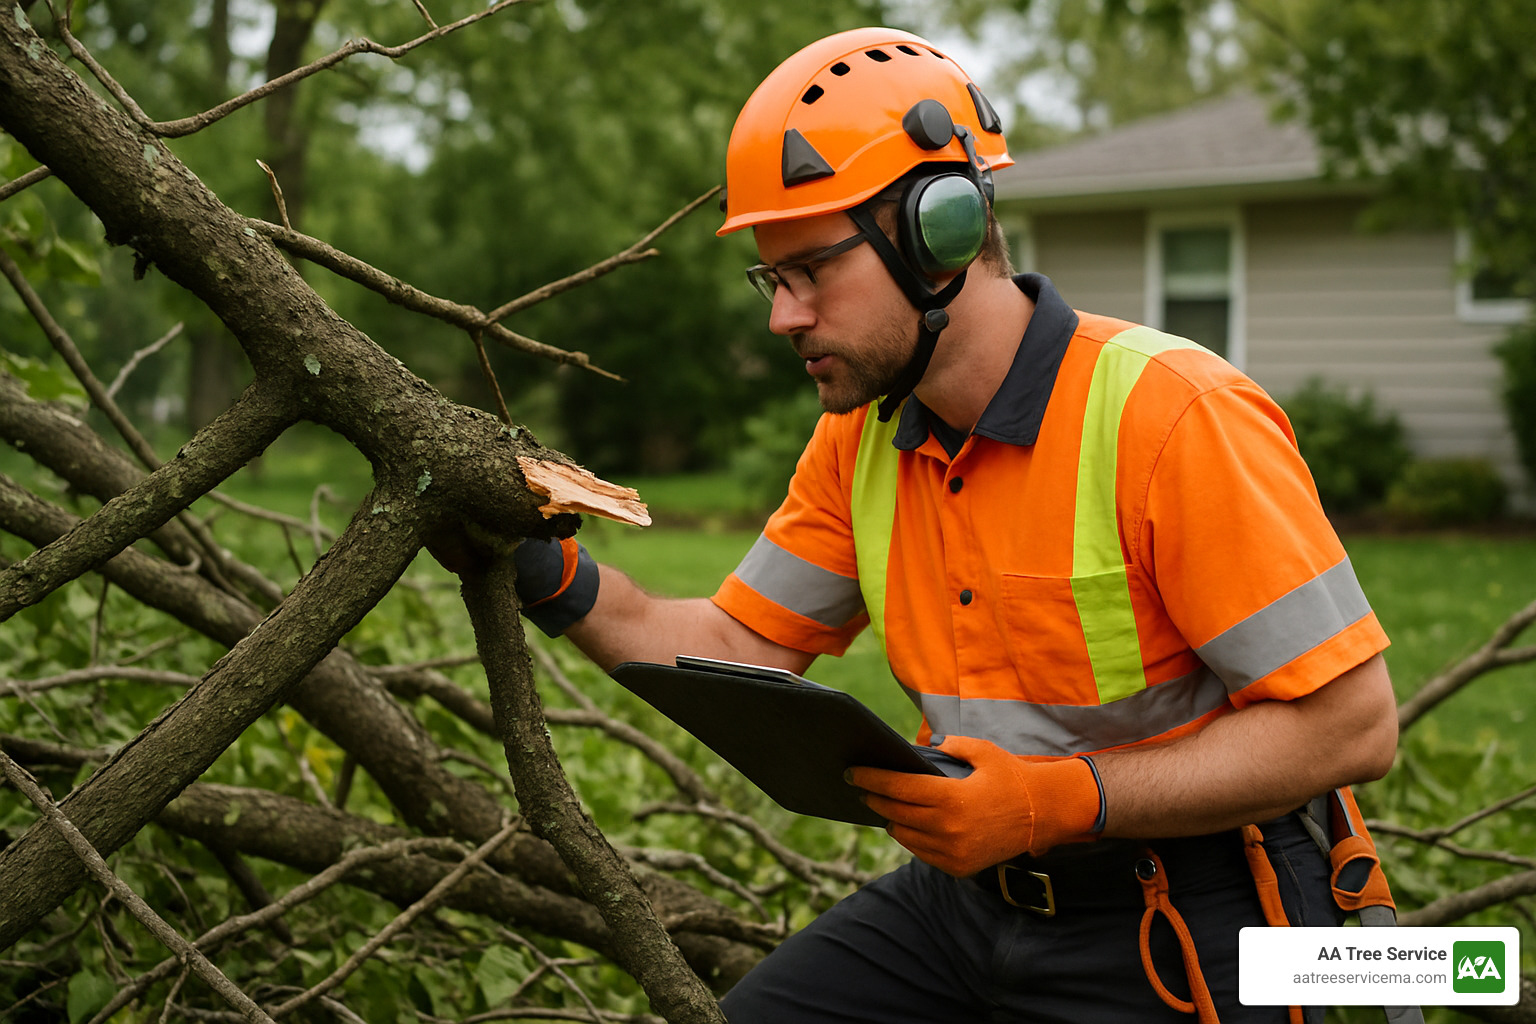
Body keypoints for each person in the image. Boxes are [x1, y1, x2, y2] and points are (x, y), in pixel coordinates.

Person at [507, 26, 1405, 1024]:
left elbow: (1353, 725)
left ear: (940, 232)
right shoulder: (861, 439)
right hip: (967, 904)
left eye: (810, 271)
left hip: (1199, 905)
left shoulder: (1172, 415)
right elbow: (735, 647)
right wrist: (544, 568)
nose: (782, 317)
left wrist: (1055, 799)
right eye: (771, 280)